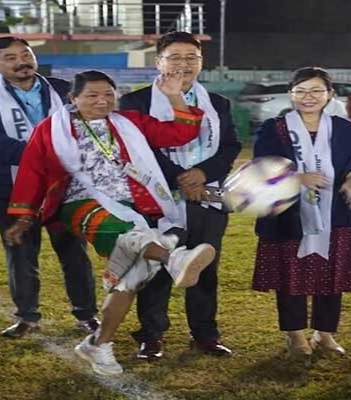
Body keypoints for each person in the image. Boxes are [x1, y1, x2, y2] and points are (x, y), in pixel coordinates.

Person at [5, 70, 215, 375]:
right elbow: (32, 171)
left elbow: (180, 134)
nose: (102, 101)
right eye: (92, 95)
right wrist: (24, 217)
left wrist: (173, 95)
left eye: (108, 94)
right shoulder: (52, 129)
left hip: (134, 204)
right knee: (132, 238)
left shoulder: (129, 122)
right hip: (80, 203)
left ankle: (98, 344)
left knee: (133, 276)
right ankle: (175, 258)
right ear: (73, 99)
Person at [119, 31, 241, 359]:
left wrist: (202, 175)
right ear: (158, 61)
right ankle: (152, 334)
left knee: (204, 267)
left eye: (192, 58)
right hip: (157, 200)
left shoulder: (218, 103)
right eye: (174, 57)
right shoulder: (135, 103)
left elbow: (231, 146)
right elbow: (136, 150)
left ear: (202, 63)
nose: (183, 64)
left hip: (207, 196)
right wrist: (179, 178)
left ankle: (204, 334)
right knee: (156, 268)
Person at [0, 37, 99, 337]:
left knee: (74, 253)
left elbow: (88, 126)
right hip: (12, 189)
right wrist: (38, 155)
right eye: (10, 57)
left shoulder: (62, 88)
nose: (21, 62)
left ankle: (87, 314)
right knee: (21, 254)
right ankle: (27, 317)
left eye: (25, 54)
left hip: (65, 187)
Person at [253, 67, 351, 359]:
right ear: (291, 94)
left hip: (334, 216)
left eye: (316, 91)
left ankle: (325, 333)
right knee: (291, 278)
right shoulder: (274, 128)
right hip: (288, 217)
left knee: (331, 277)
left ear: (330, 95)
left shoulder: (346, 129)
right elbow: (262, 169)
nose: (308, 97)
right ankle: (295, 335)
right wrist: (297, 178)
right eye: (300, 91)